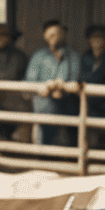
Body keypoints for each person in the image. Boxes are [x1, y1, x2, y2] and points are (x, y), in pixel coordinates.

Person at [26, 20, 80, 148]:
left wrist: (61, 86)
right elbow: (30, 80)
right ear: (45, 36)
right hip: (45, 107)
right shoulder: (38, 57)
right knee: (45, 143)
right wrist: (45, 86)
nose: (53, 37)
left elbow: (75, 78)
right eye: (50, 35)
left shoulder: (73, 56)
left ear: (63, 35)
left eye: (57, 34)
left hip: (67, 107)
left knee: (72, 142)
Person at [80, 24, 105, 123]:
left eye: (100, 37)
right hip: (85, 103)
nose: (97, 41)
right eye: (93, 37)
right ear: (89, 40)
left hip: (104, 105)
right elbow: (81, 77)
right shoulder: (84, 58)